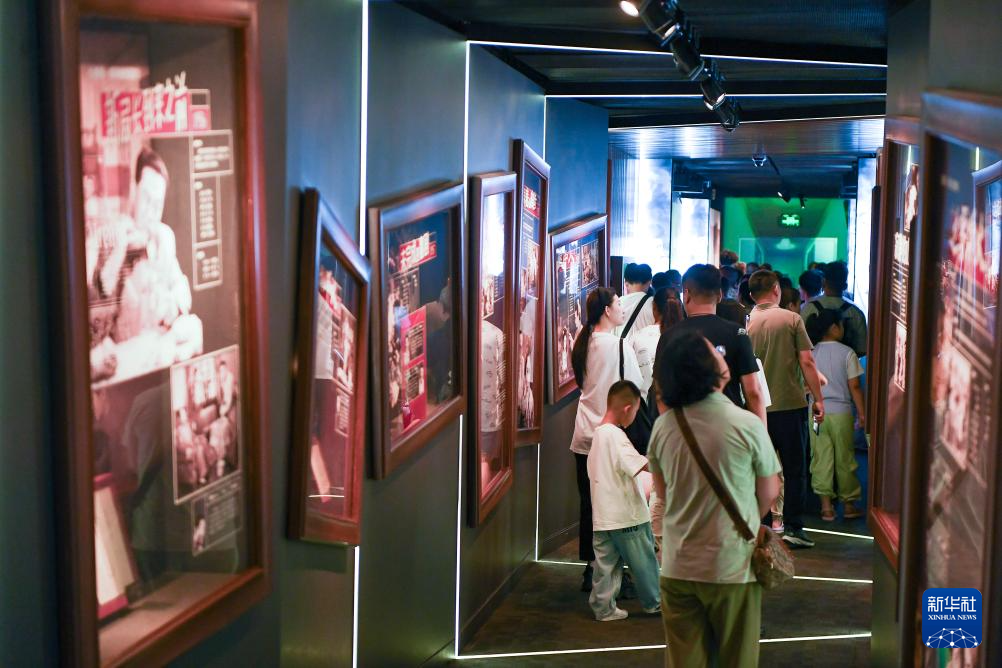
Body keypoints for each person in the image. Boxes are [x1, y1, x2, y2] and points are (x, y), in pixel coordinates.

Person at [648, 331, 781, 668]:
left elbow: (663, 493)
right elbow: (769, 491)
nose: (721, 353)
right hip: (732, 566)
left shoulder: (664, 426)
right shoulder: (747, 424)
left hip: (678, 566)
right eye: (714, 350)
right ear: (708, 367)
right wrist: (746, 517)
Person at [570, 288, 644, 591]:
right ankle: (612, 572)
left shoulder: (581, 342)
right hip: (612, 436)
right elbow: (636, 387)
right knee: (614, 506)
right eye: (617, 304)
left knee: (589, 504)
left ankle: (591, 569)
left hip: (584, 434)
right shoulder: (620, 346)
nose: (621, 309)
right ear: (607, 311)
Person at [747, 270, 826, 549]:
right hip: (791, 405)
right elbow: (807, 361)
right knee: (795, 470)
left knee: (761, 469)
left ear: (751, 295)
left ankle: (763, 526)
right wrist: (819, 399)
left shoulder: (747, 324)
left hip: (758, 410)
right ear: (777, 289)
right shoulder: (792, 319)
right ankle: (793, 526)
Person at [587, 380, 663, 621]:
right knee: (644, 563)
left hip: (603, 517)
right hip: (628, 517)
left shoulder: (598, 435)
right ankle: (655, 602)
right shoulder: (616, 436)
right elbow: (639, 464)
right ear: (628, 409)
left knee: (605, 567)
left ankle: (603, 608)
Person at [655, 264, 765, 426]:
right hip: (729, 426)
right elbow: (753, 391)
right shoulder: (737, 333)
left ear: (686, 295)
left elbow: (660, 391)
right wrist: (761, 433)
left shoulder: (669, 335)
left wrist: (672, 429)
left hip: (686, 427)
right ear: (719, 295)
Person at [805, 308, 866, 522]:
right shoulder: (847, 353)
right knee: (845, 459)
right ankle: (849, 505)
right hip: (842, 413)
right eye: (841, 325)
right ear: (833, 327)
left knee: (820, 457)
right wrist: (862, 413)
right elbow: (855, 386)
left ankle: (826, 508)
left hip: (816, 414)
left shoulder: (810, 353)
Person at [800, 261, 868, 358]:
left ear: (823, 282)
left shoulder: (808, 308)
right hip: (845, 366)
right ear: (845, 285)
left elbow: (800, 344)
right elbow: (862, 350)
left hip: (814, 364)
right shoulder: (856, 313)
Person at [632, 287, 684, 402]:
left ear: (654, 307)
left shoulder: (637, 337)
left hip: (645, 404)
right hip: (680, 405)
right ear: (679, 307)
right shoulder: (689, 337)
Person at [615, 263, 655, 337]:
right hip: (646, 344)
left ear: (626, 283)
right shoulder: (654, 304)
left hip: (620, 344)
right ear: (649, 282)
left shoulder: (618, 302)